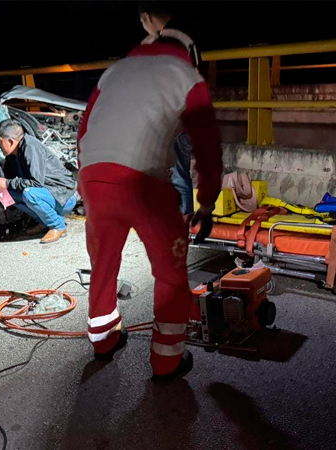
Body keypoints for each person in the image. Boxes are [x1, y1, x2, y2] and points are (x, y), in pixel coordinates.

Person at [76, 21, 223, 379]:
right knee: (170, 272)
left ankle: (104, 340)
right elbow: (206, 148)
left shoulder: (114, 72)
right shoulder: (186, 75)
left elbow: (84, 127)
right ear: (191, 53)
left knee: (104, 263)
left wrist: (90, 182)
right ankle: (167, 361)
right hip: (142, 182)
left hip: (93, 176)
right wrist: (205, 205)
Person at [0, 120, 78, 244]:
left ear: (11, 141)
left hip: (64, 197)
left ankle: (57, 225)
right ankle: (43, 222)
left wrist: (7, 183)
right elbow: (5, 181)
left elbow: (36, 183)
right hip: (49, 195)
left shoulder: (30, 147)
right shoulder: (13, 156)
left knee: (29, 193)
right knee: (9, 193)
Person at [140, 1, 197, 216]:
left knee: (175, 174)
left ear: (147, 17)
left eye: (142, 21)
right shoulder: (186, 38)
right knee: (179, 172)